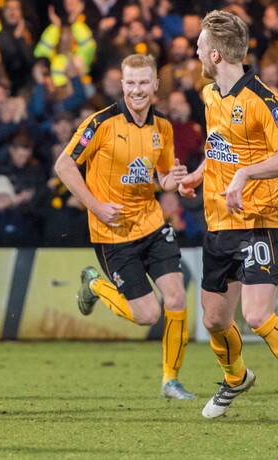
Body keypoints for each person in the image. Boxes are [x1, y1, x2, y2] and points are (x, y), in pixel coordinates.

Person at [179, 10, 278, 424]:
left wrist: (245, 174)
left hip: (261, 219)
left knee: (258, 315)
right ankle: (236, 378)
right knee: (214, 320)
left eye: (199, 46)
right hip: (219, 221)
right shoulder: (210, 95)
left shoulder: (264, 100)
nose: (196, 52)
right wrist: (198, 174)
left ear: (215, 54)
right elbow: (219, 147)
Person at [54, 53, 195, 400]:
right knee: (148, 315)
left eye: (144, 82)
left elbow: (163, 177)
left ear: (155, 85)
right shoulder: (100, 123)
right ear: (122, 84)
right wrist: (96, 206)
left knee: (176, 296)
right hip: (113, 232)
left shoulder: (163, 127)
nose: (137, 90)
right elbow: (64, 165)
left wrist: (174, 180)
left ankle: (171, 381)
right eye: (131, 83)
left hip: (152, 223)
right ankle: (94, 285)